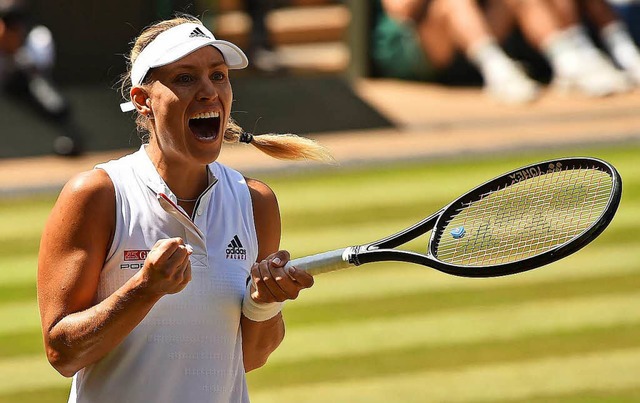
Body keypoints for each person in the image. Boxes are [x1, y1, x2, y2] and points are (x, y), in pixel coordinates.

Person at [37, 15, 332, 402]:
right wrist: (144, 289)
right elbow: (62, 353)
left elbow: (250, 356)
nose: (209, 91)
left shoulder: (256, 201)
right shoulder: (97, 195)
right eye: (186, 78)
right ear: (143, 100)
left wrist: (264, 303)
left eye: (219, 75)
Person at [373, 0, 635, 103]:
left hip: (471, 36)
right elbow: (401, 9)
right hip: (408, 48)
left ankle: (571, 61)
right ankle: (500, 74)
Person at [0, 0, 82, 156]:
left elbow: (39, 70)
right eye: (6, 20)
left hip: (25, 86)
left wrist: (14, 50)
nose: (10, 26)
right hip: (5, 86)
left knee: (40, 87)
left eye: (14, 21)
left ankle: (70, 135)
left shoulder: (37, 36)